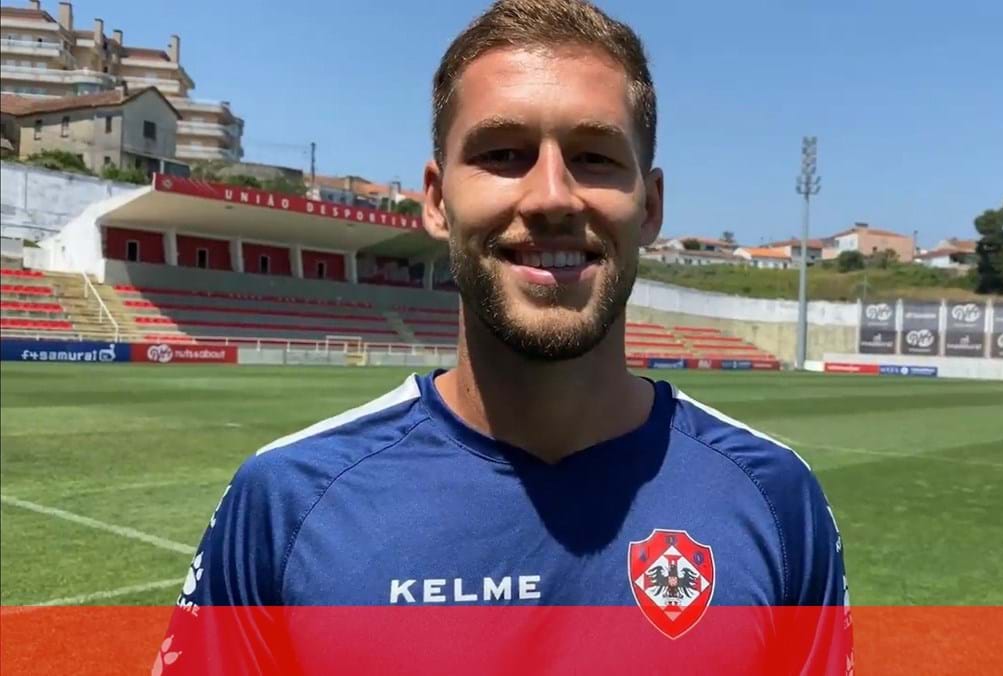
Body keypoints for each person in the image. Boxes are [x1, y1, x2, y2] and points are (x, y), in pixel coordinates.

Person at [158, 1, 848, 673]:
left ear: (652, 208)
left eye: (595, 157)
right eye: (503, 153)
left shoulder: (774, 499)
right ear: (435, 201)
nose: (552, 196)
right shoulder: (287, 502)